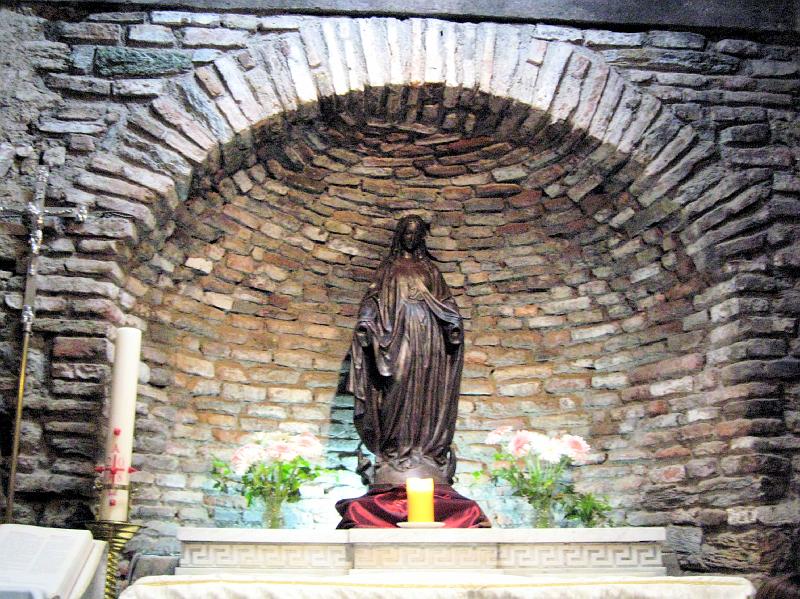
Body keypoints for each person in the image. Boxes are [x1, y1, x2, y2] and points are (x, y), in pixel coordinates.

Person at [348, 215, 464, 486]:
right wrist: (365, 321)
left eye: (415, 234)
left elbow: (446, 302)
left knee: (426, 390)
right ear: (400, 236)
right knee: (396, 383)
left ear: (422, 238)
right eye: (407, 233)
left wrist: (454, 325)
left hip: (428, 337)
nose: (411, 238)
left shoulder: (430, 270)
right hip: (396, 336)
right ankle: (394, 449)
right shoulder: (388, 268)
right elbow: (373, 299)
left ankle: (424, 451)